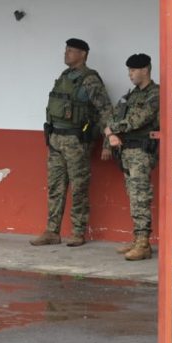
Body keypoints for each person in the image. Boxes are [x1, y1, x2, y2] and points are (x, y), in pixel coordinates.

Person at [31, 38, 113, 248]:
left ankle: (77, 232)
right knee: (55, 187)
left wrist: (107, 142)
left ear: (83, 54)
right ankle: (52, 231)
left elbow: (105, 109)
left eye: (71, 50)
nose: (66, 53)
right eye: (66, 49)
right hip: (56, 139)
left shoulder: (90, 79)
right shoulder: (65, 76)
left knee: (78, 187)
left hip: (76, 141)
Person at [103, 53, 159, 261]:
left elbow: (138, 119)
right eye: (129, 71)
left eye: (133, 70)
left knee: (140, 196)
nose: (130, 75)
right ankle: (138, 239)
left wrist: (111, 130)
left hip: (142, 152)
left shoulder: (155, 94)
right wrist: (110, 134)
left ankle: (144, 243)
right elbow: (114, 115)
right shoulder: (131, 95)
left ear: (145, 70)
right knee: (133, 195)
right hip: (127, 152)